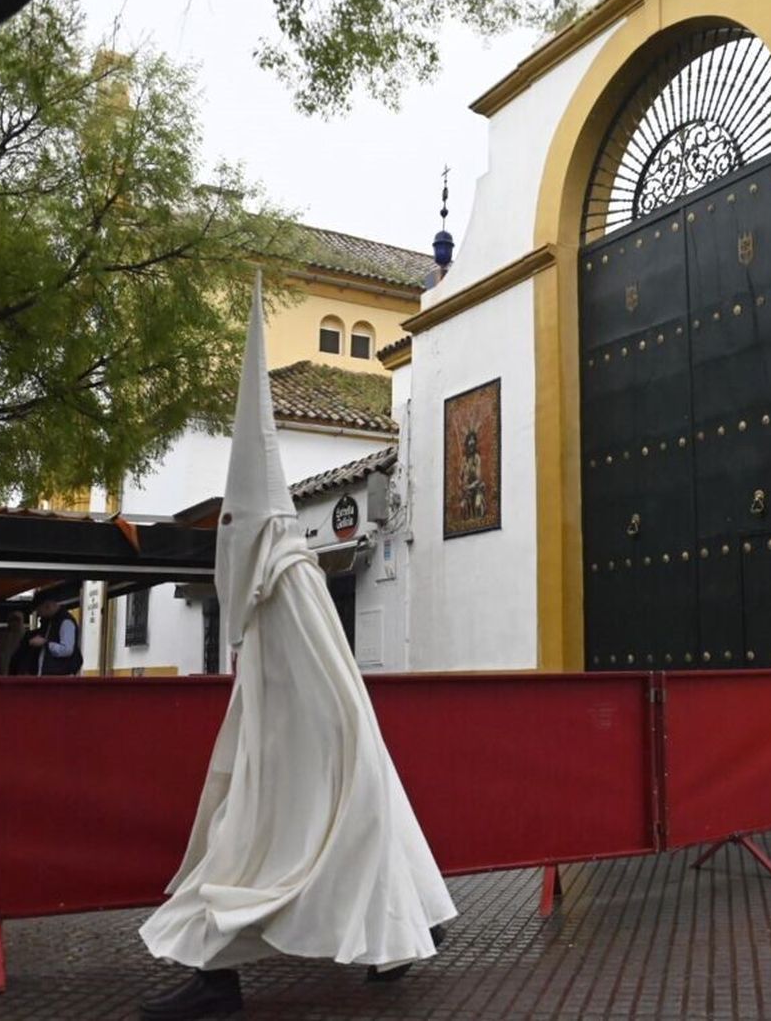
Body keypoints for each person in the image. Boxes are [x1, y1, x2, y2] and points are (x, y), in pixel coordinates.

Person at [137, 274, 454, 1019]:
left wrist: (313, 758)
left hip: (294, 767)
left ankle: (220, 982)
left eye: (229, 527)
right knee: (288, 852)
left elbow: (325, 690)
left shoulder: (286, 579)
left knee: (247, 863)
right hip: (278, 760)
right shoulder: (273, 580)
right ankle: (402, 933)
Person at [25, 591, 82, 676]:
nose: (40, 615)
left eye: (39, 611)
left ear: (47, 606)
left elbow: (67, 650)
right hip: (48, 674)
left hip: (60, 675)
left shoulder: (65, 622)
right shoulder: (49, 622)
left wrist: (45, 643)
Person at [0, 611, 28, 676]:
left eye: (17, 620)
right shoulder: (3, 634)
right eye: (12, 620)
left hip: (19, 664)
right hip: (4, 662)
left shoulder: (26, 635)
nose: (14, 623)